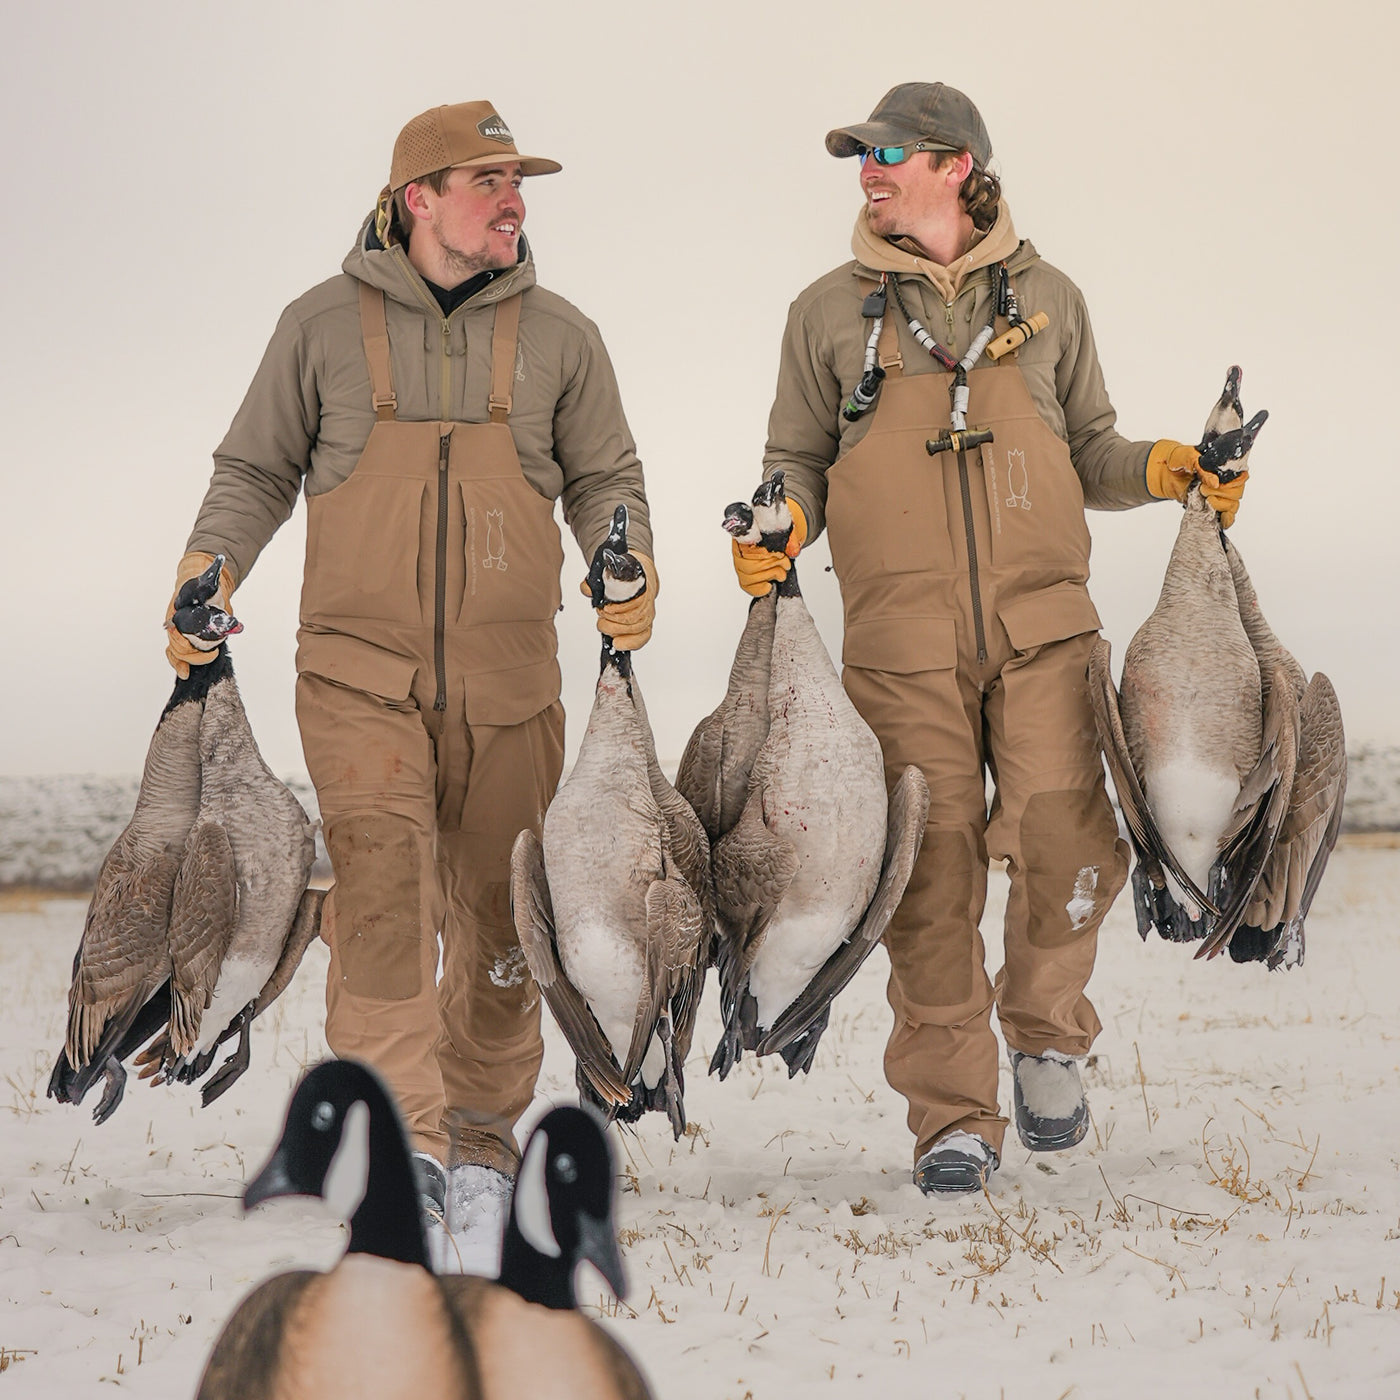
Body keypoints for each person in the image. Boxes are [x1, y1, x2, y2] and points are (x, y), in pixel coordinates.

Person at [735, 83, 1246, 1194]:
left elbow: (1093, 446)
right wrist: (778, 519)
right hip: (895, 642)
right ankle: (952, 1115)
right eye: (856, 157)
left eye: (883, 153)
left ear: (954, 165)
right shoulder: (825, 312)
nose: (864, 171)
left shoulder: (1049, 297)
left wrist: (1164, 468)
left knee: (1070, 846)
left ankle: (1047, 1034)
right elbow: (796, 464)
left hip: (1044, 628)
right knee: (926, 881)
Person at [164, 101, 656, 1227]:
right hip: (356, 675)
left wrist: (624, 554)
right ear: (415, 197)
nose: (512, 197)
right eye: (485, 178)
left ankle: (482, 1138)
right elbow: (252, 469)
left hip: (512, 678)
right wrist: (209, 565)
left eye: (516, 179)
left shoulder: (563, 337)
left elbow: (605, 476)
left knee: (495, 916)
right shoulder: (319, 327)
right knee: (383, 894)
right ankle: (402, 1135)